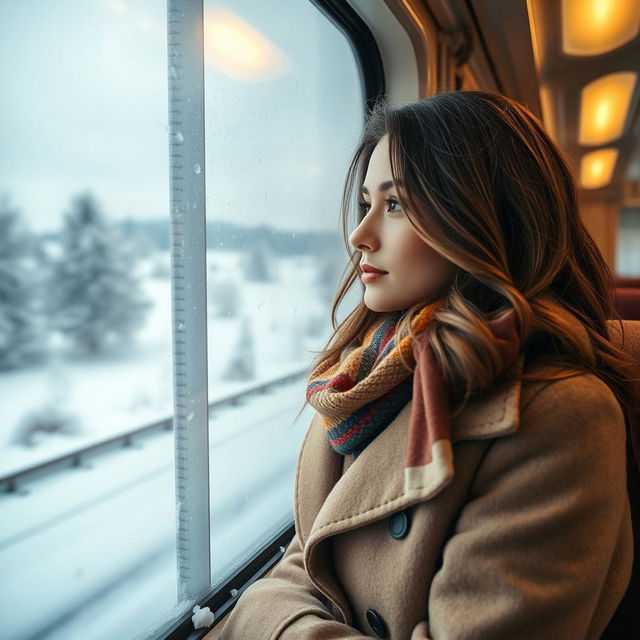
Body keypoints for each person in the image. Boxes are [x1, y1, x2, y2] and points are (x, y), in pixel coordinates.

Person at [219, 91, 640, 639]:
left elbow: (284, 592)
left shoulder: (561, 417)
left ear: (486, 218)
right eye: (367, 202)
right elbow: (306, 560)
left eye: (395, 205)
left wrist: (275, 623)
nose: (359, 234)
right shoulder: (369, 376)